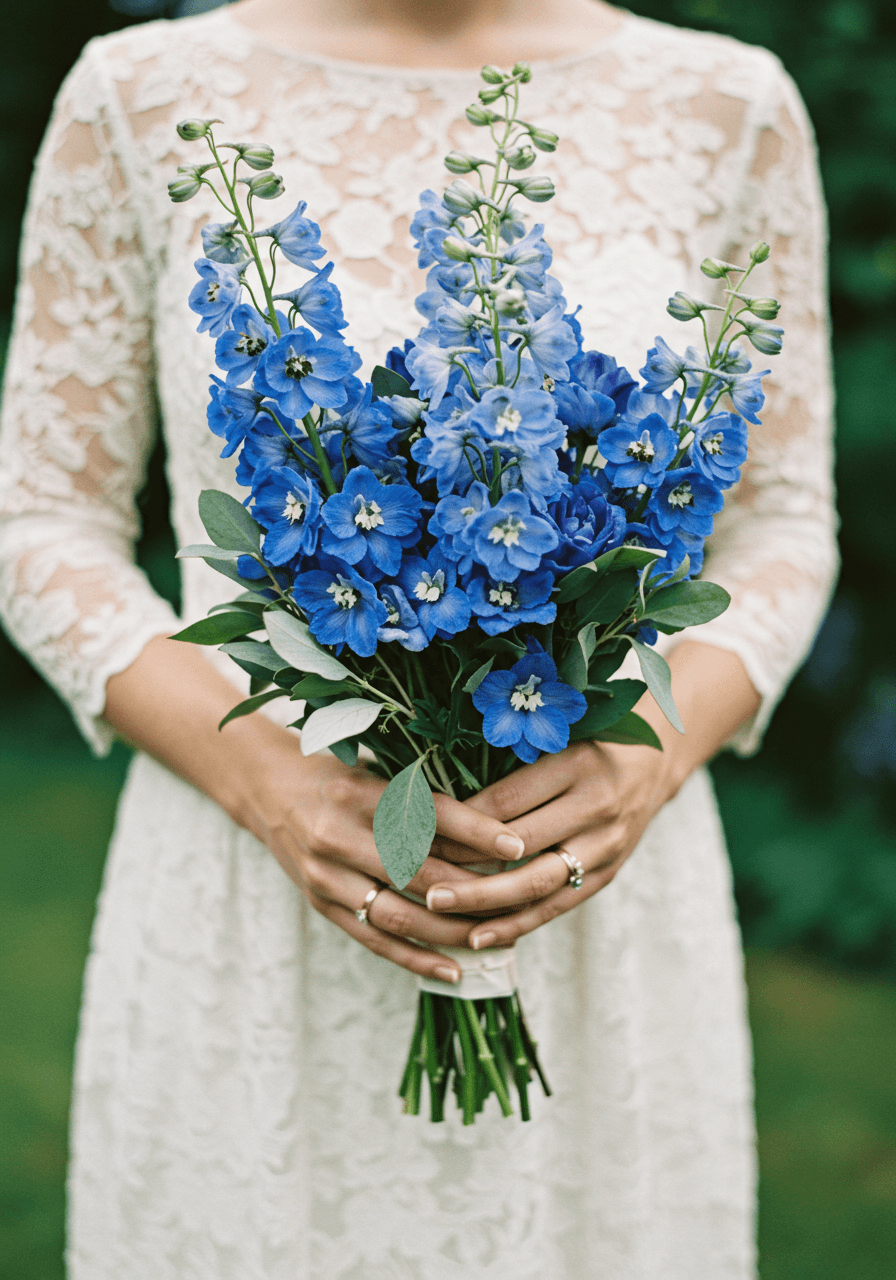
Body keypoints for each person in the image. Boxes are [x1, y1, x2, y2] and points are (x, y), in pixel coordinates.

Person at [0, 0, 837, 1275]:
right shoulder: (137, 92)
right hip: (255, 879)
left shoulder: (731, 103)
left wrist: (647, 751)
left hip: (588, 885)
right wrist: (269, 784)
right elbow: (38, 516)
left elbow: (779, 517)